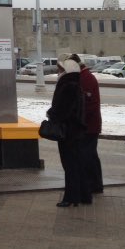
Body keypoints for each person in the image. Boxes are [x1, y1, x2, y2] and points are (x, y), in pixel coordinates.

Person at [46, 58, 89, 206]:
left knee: (70, 165)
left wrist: (51, 114)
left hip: (68, 132)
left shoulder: (67, 85)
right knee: (77, 164)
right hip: (76, 130)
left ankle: (70, 198)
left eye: (61, 69)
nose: (59, 72)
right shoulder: (76, 84)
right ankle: (83, 196)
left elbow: (63, 110)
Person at [70, 54, 103, 194]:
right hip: (88, 124)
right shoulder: (83, 76)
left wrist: (78, 119)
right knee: (89, 155)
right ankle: (94, 184)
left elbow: (89, 104)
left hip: (88, 125)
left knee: (88, 155)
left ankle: (93, 184)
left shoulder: (86, 78)